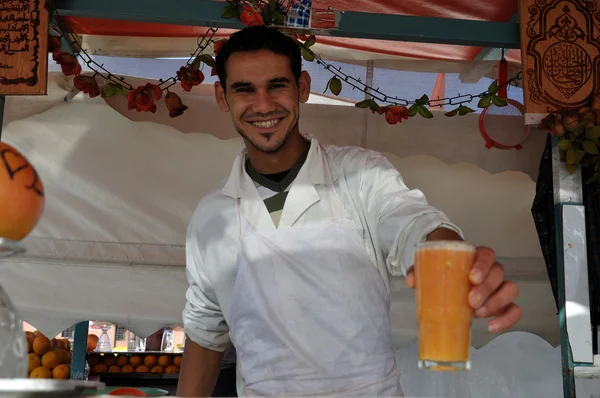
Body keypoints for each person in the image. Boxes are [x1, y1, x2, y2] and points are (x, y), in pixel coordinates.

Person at [177, 26, 522, 397]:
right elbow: (204, 332)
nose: (263, 105)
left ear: (302, 88)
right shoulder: (211, 216)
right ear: (221, 97)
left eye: (277, 85)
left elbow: (413, 224)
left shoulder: (361, 176)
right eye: (244, 89)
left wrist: (455, 257)